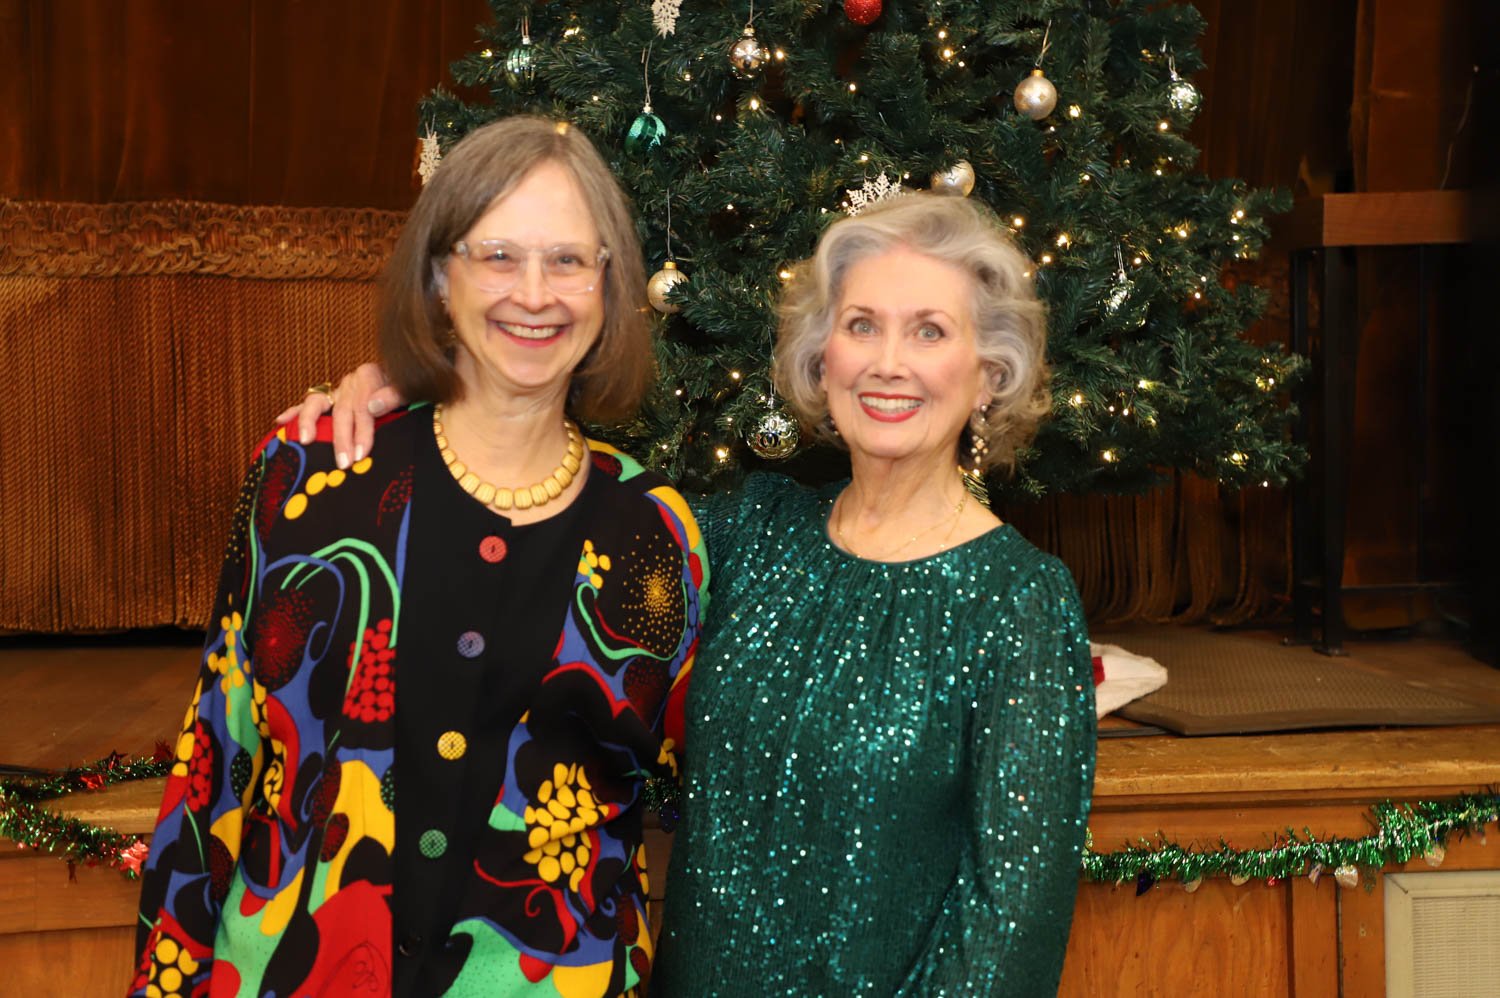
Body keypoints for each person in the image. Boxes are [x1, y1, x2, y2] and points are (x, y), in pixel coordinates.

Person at [295, 193, 1097, 995]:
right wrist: (411, 403)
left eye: (929, 331)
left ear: (989, 374)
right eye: (861, 325)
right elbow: (553, 523)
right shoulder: (750, 532)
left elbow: (1011, 927)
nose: (889, 361)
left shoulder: (1020, 600)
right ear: (823, 359)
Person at [131, 116, 707, 998]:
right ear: (440, 277)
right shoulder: (310, 476)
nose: (535, 293)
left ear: (608, 283)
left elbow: (690, 794)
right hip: (298, 972)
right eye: (498, 256)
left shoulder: (657, 529)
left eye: (567, 260)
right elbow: (219, 753)